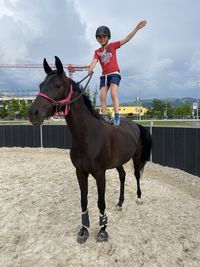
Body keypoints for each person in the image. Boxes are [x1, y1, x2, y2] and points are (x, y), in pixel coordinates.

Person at [88, 20, 147, 126]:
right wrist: (90, 69)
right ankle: (105, 116)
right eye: (100, 37)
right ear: (97, 38)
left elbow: (127, 39)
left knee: (113, 93)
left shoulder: (113, 46)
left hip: (114, 73)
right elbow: (94, 62)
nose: (102, 39)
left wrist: (136, 28)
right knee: (102, 96)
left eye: (104, 37)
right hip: (104, 76)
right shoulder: (97, 52)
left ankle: (116, 116)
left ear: (108, 37)